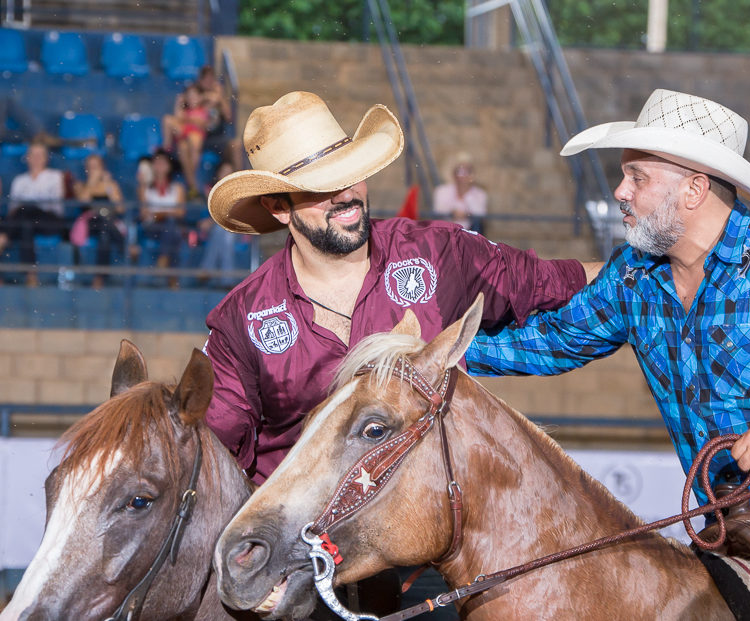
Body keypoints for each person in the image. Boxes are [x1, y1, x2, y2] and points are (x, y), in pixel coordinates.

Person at [466, 89, 750, 551]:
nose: (620, 191)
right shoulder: (632, 274)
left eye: (637, 177)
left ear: (694, 189)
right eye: (624, 176)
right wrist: (431, 349)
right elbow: (550, 341)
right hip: (726, 531)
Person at [202, 90, 600, 485]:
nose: (347, 195)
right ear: (278, 207)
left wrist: (652, 264)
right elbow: (210, 454)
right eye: (320, 186)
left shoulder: (438, 252)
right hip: (303, 536)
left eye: (351, 173)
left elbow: (556, 281)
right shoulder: (242, 318)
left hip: (437, 524)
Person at [6, 141, 66, 286]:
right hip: (26, 222)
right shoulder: (19, 180)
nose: (36, 158)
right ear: (27, 157)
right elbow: (12, 209)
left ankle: (3, 237)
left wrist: (29, 206)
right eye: (33, 154)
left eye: (40, 155)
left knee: (27, 212)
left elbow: (54, 204)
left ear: (46, 158)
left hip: (50, 220)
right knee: (26, 223)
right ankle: (30, 274)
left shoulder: (56, 176)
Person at [70, 153, 126, 288]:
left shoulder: (111, 185)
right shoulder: (80, 185)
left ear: (103, 168)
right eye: (90, 167)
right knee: (103, 223)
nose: (93, 170)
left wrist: (108, 187)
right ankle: (123, 245)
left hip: (108, 223)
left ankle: (99, 277)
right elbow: (83, 202)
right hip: (91, 222)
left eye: (96, 167)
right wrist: (91, 183)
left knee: (104, 234)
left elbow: (120, 209)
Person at [137, 150, 186, 287]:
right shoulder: (144, 188)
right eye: (156, 162)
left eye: (163, 162)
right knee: (173, 230)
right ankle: (172, 276)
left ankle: (163, 261)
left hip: (170, 227)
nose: (159, 166)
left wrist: (160, 213)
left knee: (172, 229)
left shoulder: (177, 187)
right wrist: (167, 213)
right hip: (152, 226)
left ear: (169, 166)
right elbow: (144, 213)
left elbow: (181, 212)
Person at [197, 160, 242, 288]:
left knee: (224, 232)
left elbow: (234, 216)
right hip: (212, 232)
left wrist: (212, 221)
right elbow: (202, 217)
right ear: (218, 173)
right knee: (222, 232)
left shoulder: (239, 193)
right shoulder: (209, 191)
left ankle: (206, 269)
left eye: (229, 172)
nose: (226, 174)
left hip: (236, 231)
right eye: (224, 171)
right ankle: (227, 279)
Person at [162, 84, 210, 198]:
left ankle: (191, 184)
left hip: (194, 137)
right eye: (189, 97)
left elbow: (201, 123)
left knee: (190, 141)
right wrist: (179, 103)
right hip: (184, 133)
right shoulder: (185, 110)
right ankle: (167, 147)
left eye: (194, 96)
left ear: (200, 97)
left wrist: (186, 119)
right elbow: (177, 118)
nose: (191, 99)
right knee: (167, 120)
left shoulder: (204, 109)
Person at [196, 65, 243, 171]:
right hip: (203, 138)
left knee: (236, 145)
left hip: (219, 138)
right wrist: (206, 99)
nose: (209, 82)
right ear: (201, 80)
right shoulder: (196, 94)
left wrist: (220, 98)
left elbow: (229, 117)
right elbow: (195, 115)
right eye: (206, 79)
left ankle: (239, 177)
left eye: (211, 79)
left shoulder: (218, 97)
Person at [432, 152, 487, 233]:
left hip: (470, 231)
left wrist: (466, 193)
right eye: (460, 171)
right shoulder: (442, 191)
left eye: (467, 171)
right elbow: (438, 210)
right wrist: (452, 212)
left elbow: (480, 213)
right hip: (448, 230)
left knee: (477, 225)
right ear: (453, 173)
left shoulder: (480, 193)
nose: (463, 175)